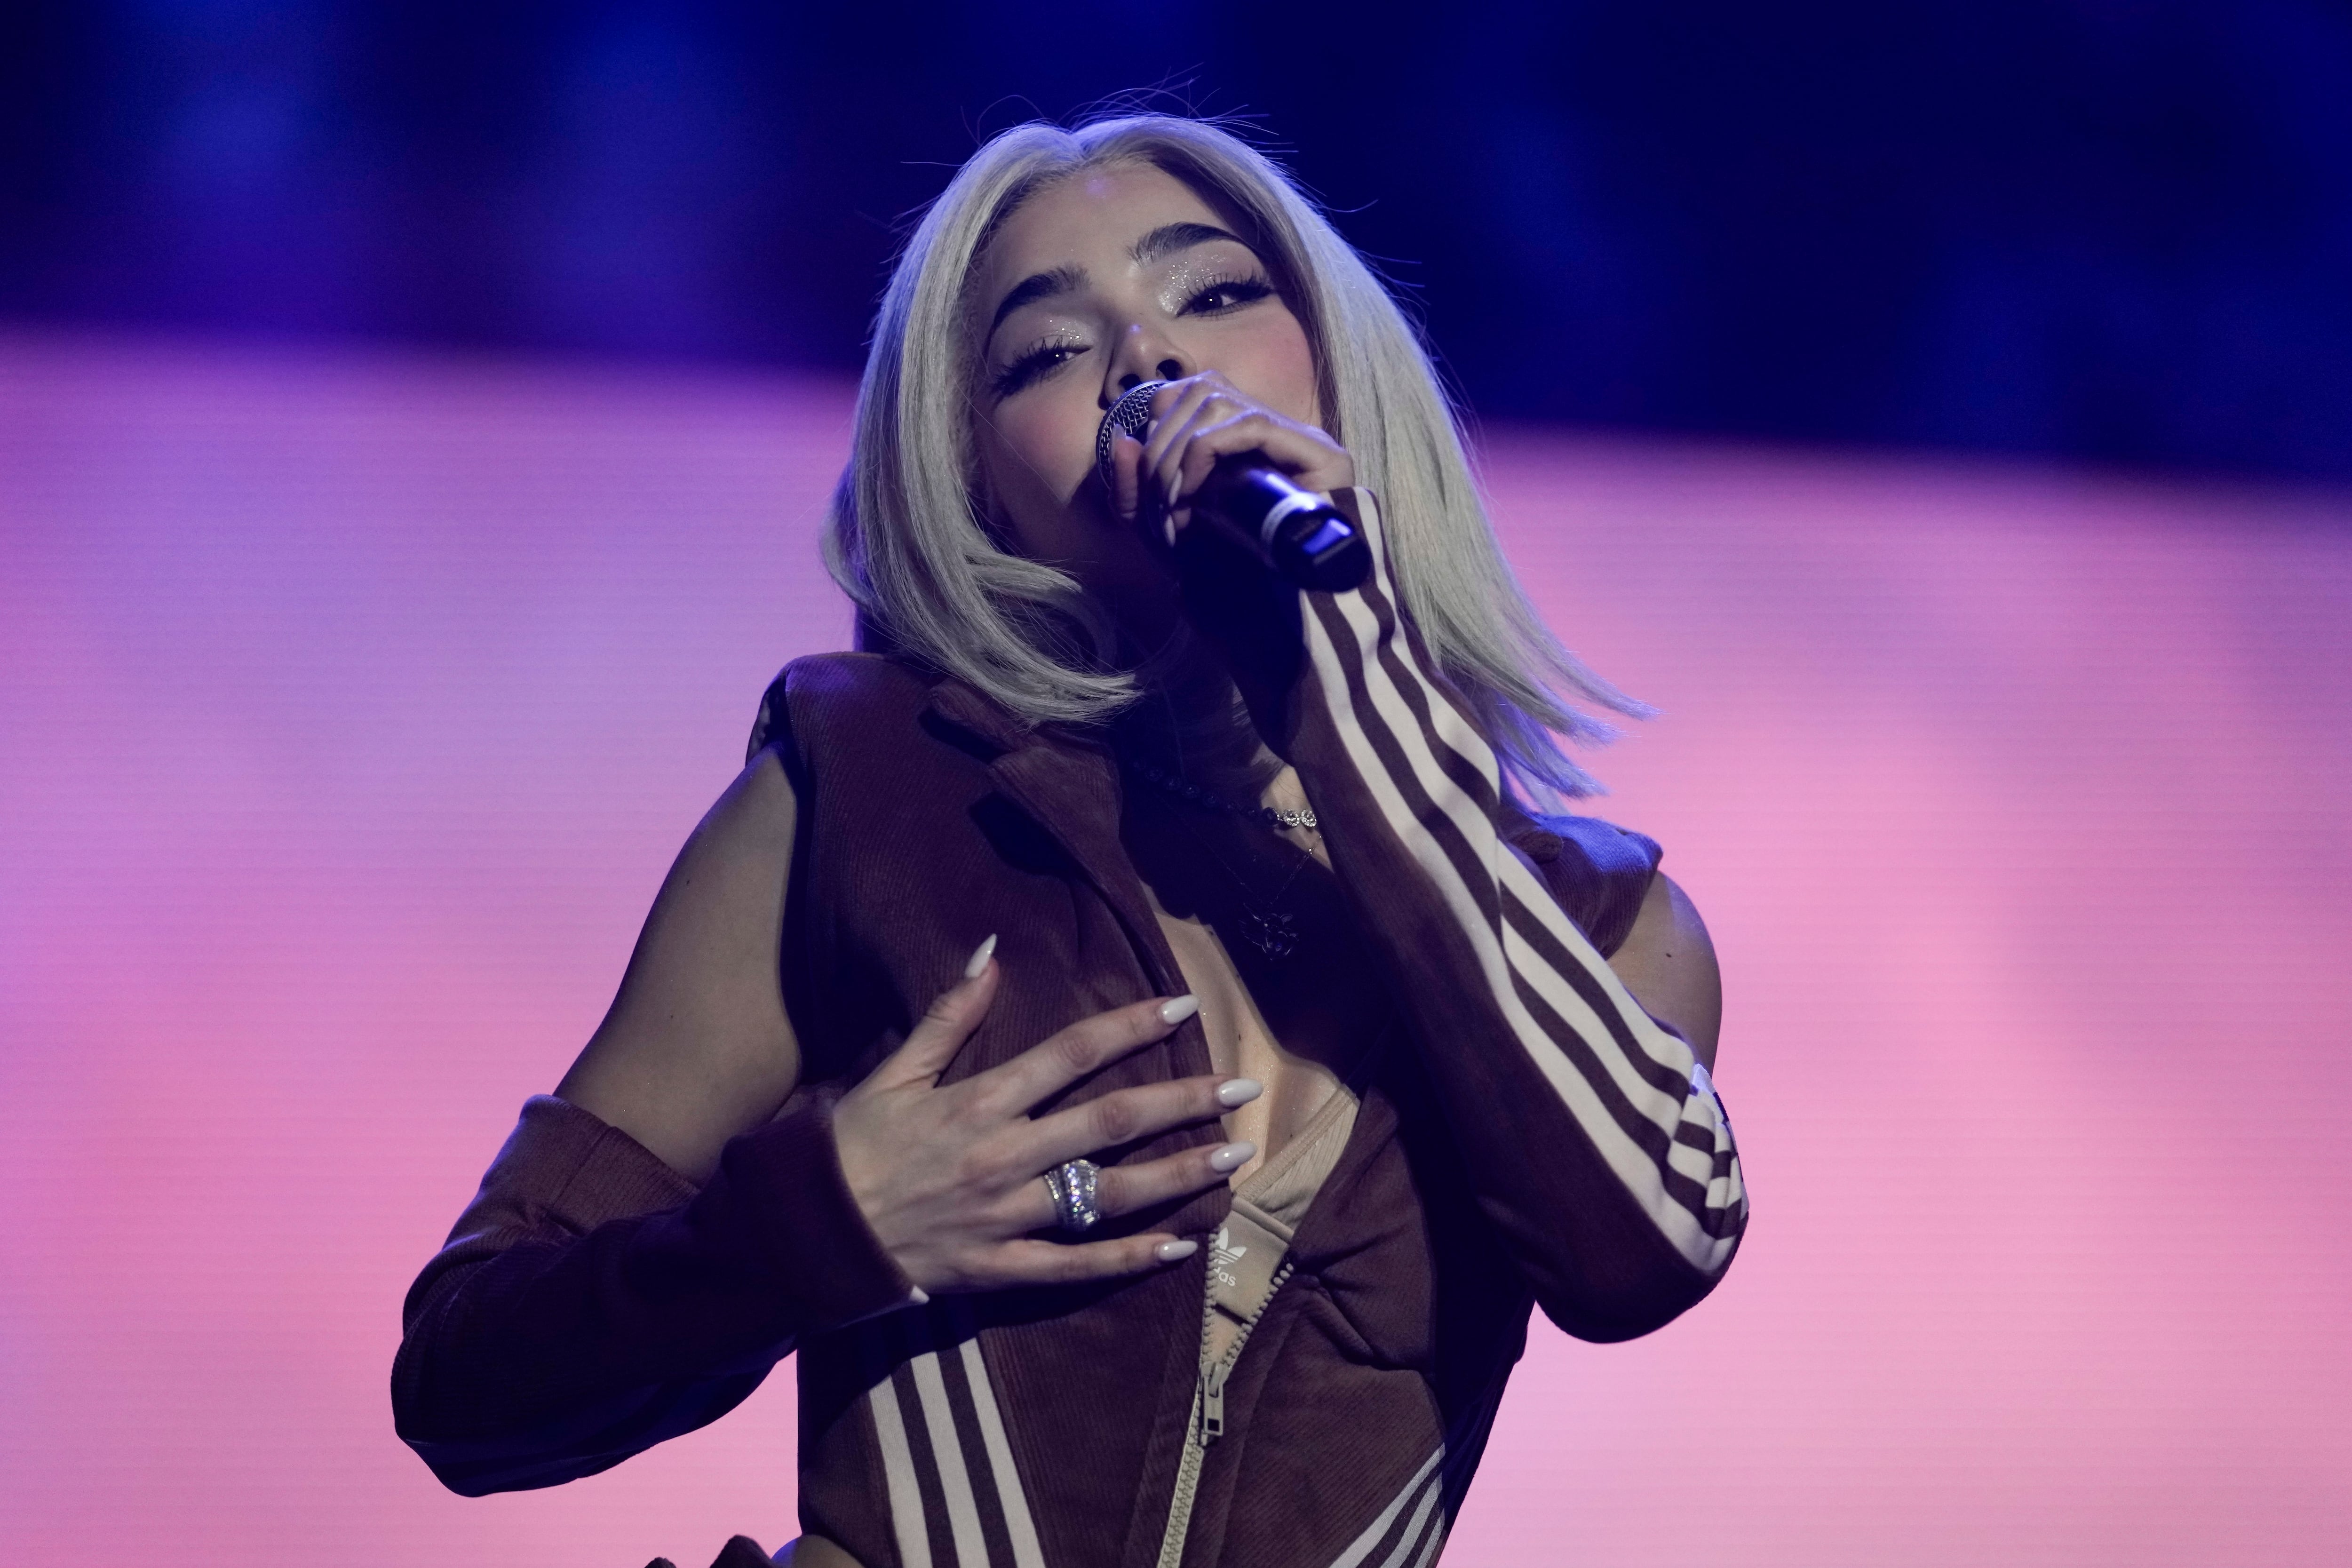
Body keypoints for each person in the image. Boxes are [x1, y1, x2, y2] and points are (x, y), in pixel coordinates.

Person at [391, 112, 1747, 1568]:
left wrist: (1346, 672)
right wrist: (821, 1228)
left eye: (1215, 293)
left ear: (1342, 371)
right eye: (1044, 354)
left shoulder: (1602, 931)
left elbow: (1645, 1252)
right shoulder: (866, 804)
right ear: (975, 482)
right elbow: (466, 1376)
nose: (1149, 363)